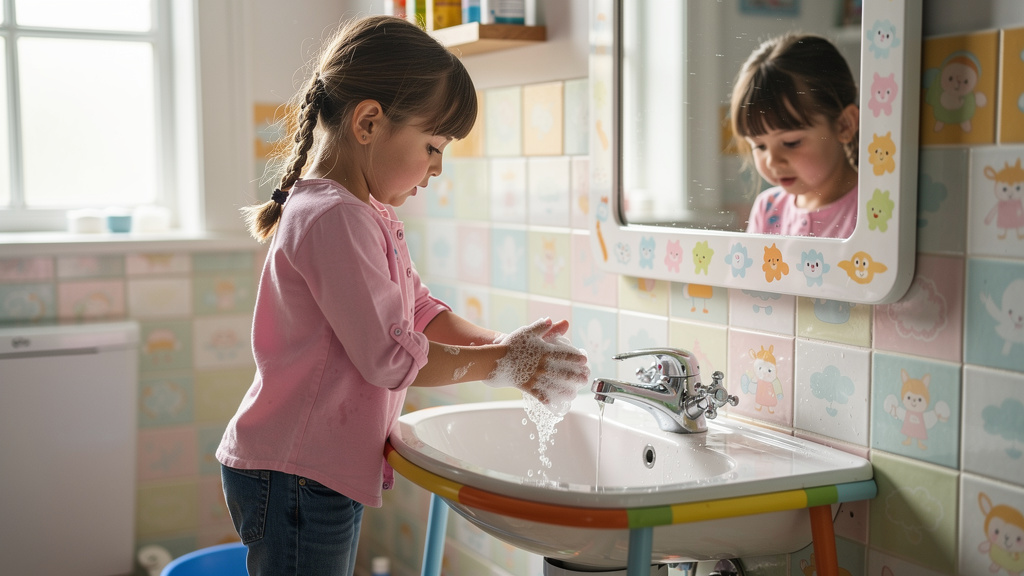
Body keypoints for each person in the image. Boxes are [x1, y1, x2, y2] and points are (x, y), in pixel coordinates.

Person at [216, 15, 589, 576]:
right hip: (295, 470)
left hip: (307, 466)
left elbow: (417, 313)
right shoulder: (334, 218)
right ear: (368, 122)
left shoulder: (363, 214)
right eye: (433, 145)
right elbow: (390, 358)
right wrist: (502, 364)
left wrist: (504, 344)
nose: (438, 167)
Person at [731, 33, 860, 238]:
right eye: (760, 146)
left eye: (791, 143)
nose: (772, 161)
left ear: (845, 125)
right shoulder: (768, 209)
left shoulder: (872, 210)